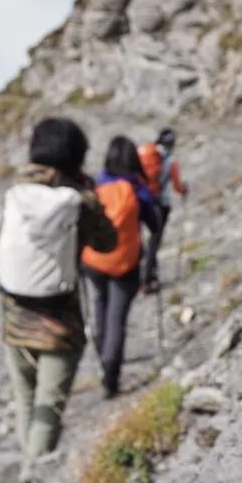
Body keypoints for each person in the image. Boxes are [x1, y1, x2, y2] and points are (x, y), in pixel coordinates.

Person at [0, 118, 117, 457]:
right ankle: (31, 482)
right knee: (48, 407)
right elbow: (108, 243)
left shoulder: (17, 190)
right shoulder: (79, 200)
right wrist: (91, 200)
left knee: (26, 402)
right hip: (58, 320)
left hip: (14, 316)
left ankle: (28, 471)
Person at [82, 136, 160, 398]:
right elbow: (155, 224)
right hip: (125, 264)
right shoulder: (137, 188)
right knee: (117, 318)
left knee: (100, 306)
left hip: (94, 261)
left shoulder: (98, 183)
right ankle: (110, 379)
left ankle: (104, 363)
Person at [137, 127, 188, 293]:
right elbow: (177, 186)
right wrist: (184, 189)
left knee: (141, 238)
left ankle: (142, 275)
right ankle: (149, 277)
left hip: (141, 200)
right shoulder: (170, 160)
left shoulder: (145, 153)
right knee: (154, 240)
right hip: (161, 203)